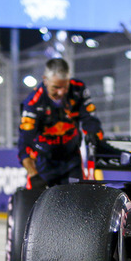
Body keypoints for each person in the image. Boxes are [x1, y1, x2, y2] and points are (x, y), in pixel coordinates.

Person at [17, 58, 103, 189]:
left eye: (65, 87)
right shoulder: (33, 103)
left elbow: (90, 119)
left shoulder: (78, 89)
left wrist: (93, 134)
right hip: (45, 160)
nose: (61, 92)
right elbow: (24, 143)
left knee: (77, 199)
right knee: (39, 203)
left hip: (71, 157)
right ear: (45, 80)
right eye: (56, 87)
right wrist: (33, 174)